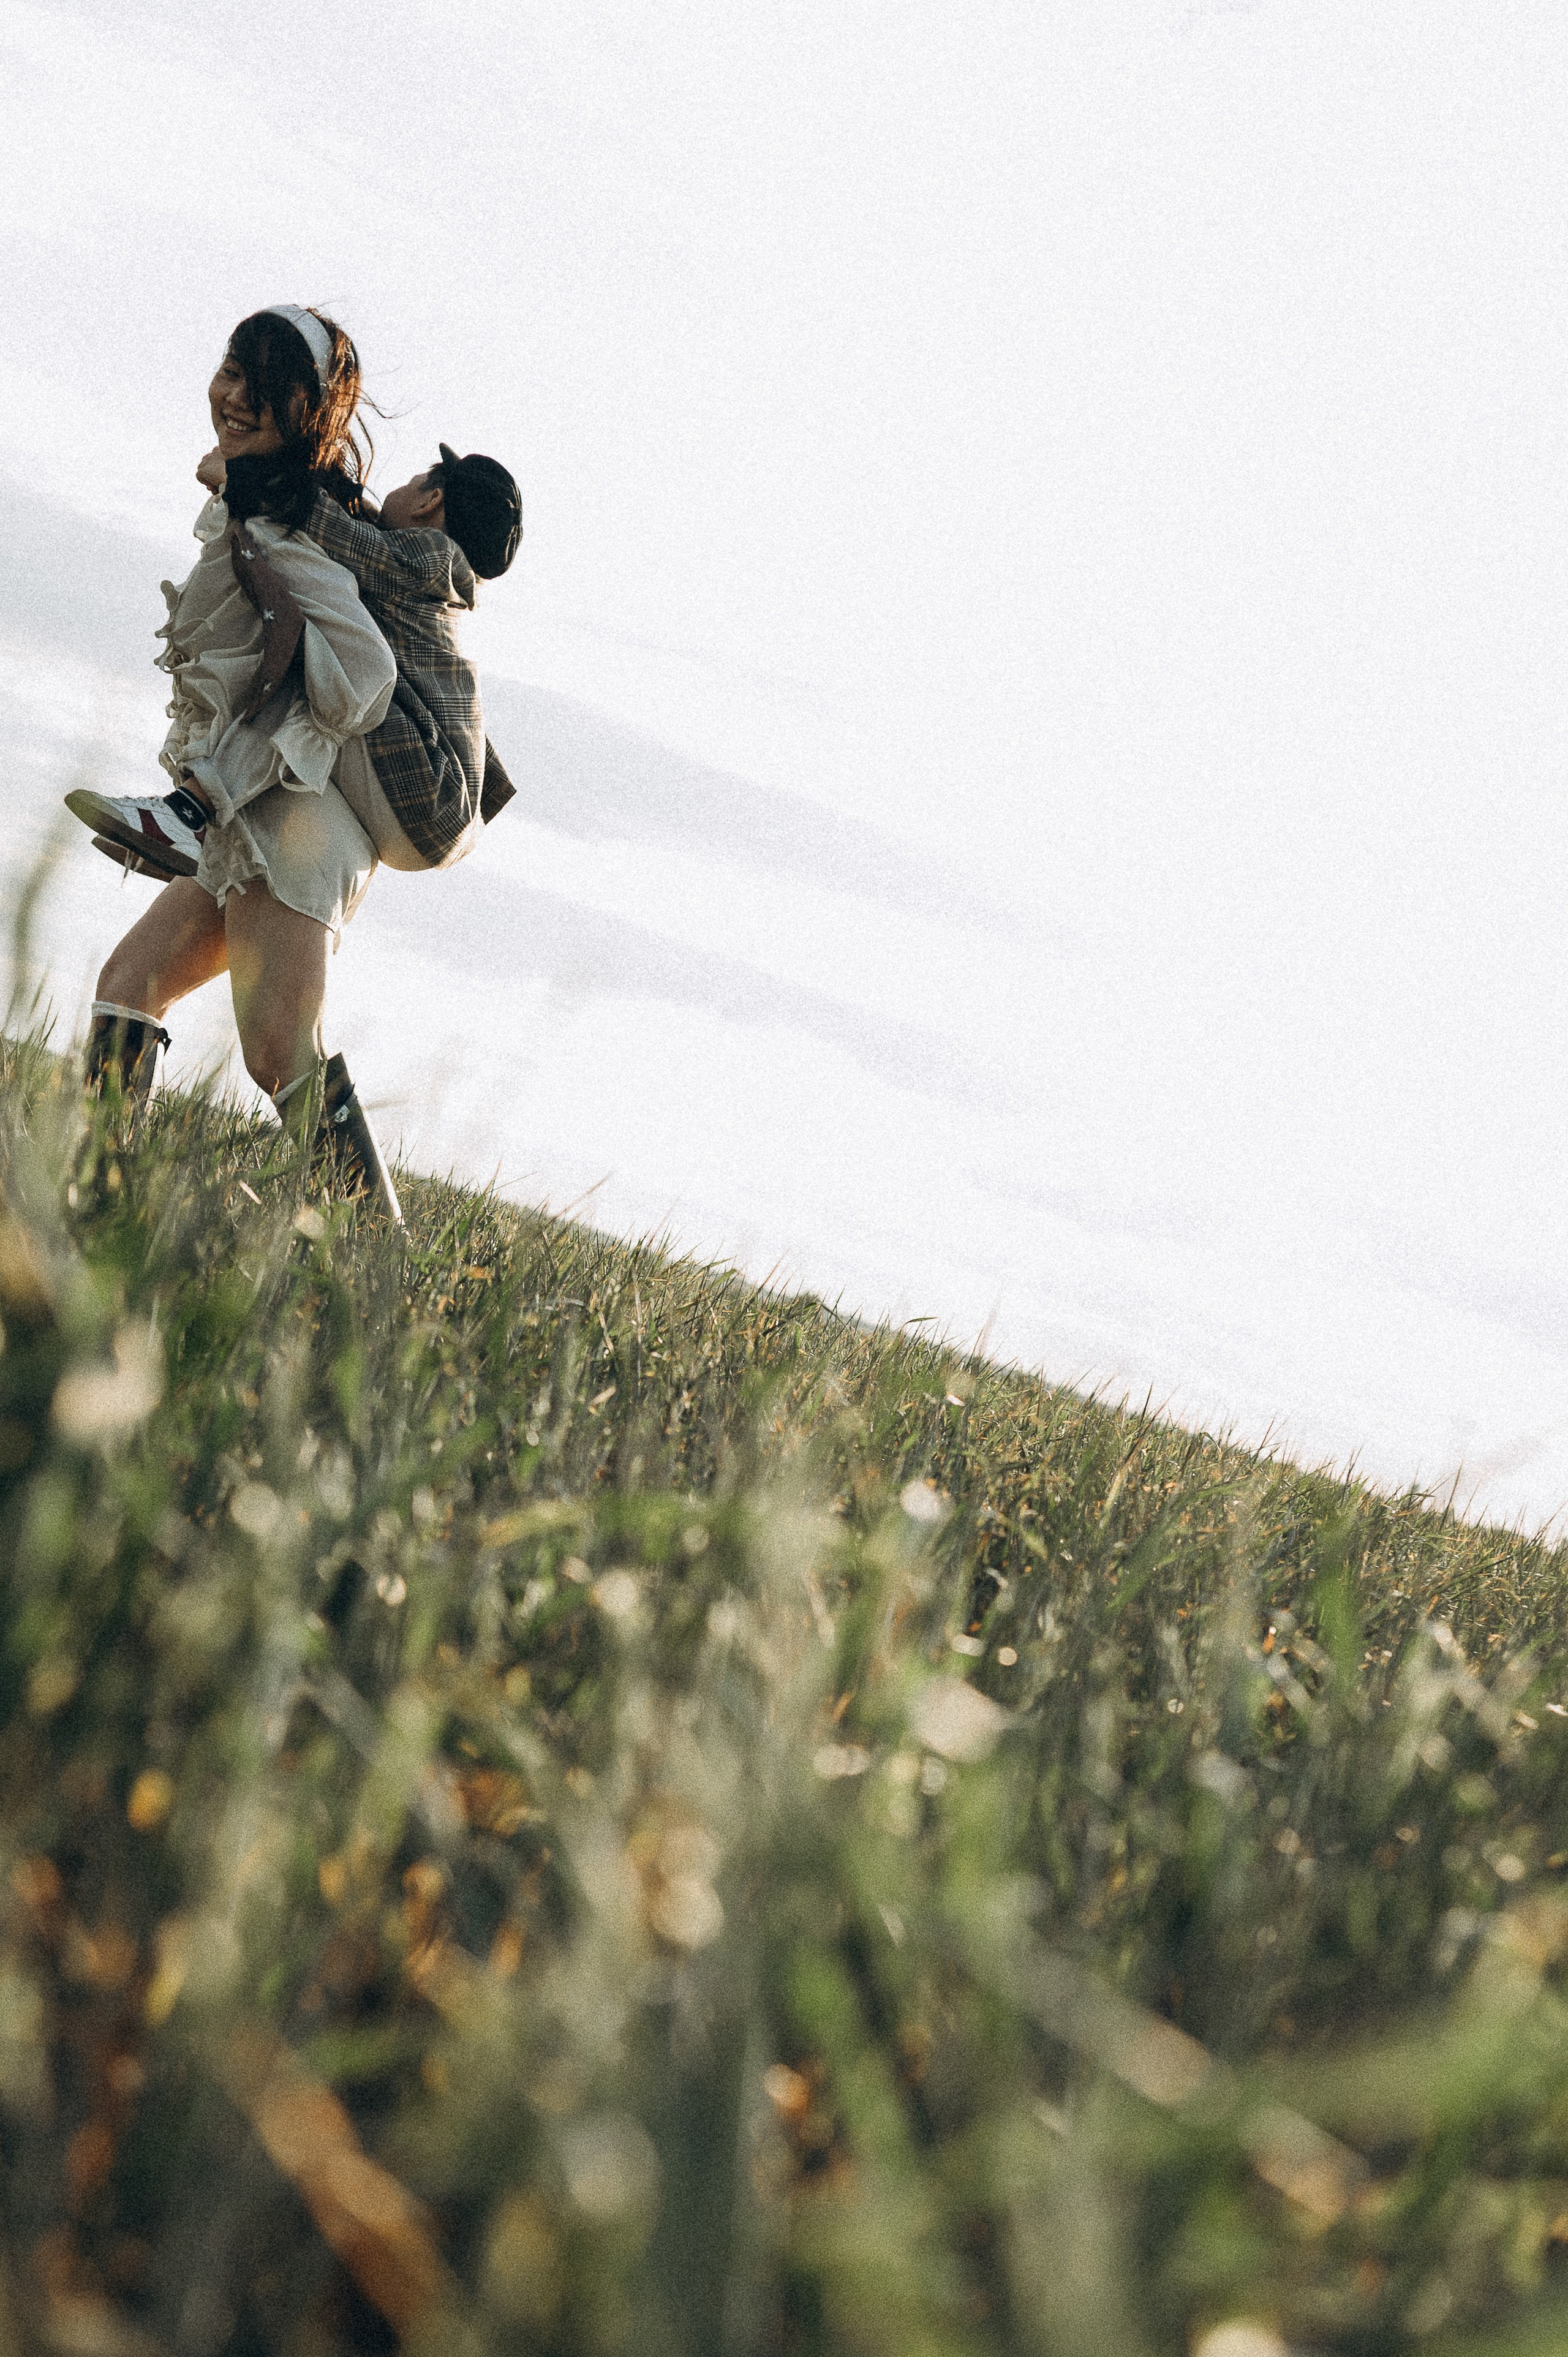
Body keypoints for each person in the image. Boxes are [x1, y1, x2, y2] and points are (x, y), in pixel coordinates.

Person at [69, 305, 405, 1215]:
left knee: (277, 1050)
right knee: (130, 983)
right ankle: (94, 1198)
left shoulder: (300, 519)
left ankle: (377, 1257)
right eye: (229, 369)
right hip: (257, 807)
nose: (235, 394)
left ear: (313, 410)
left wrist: (290, 643)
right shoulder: (265, 496)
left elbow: (366, 675)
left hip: (301, 822)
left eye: (267, 386)